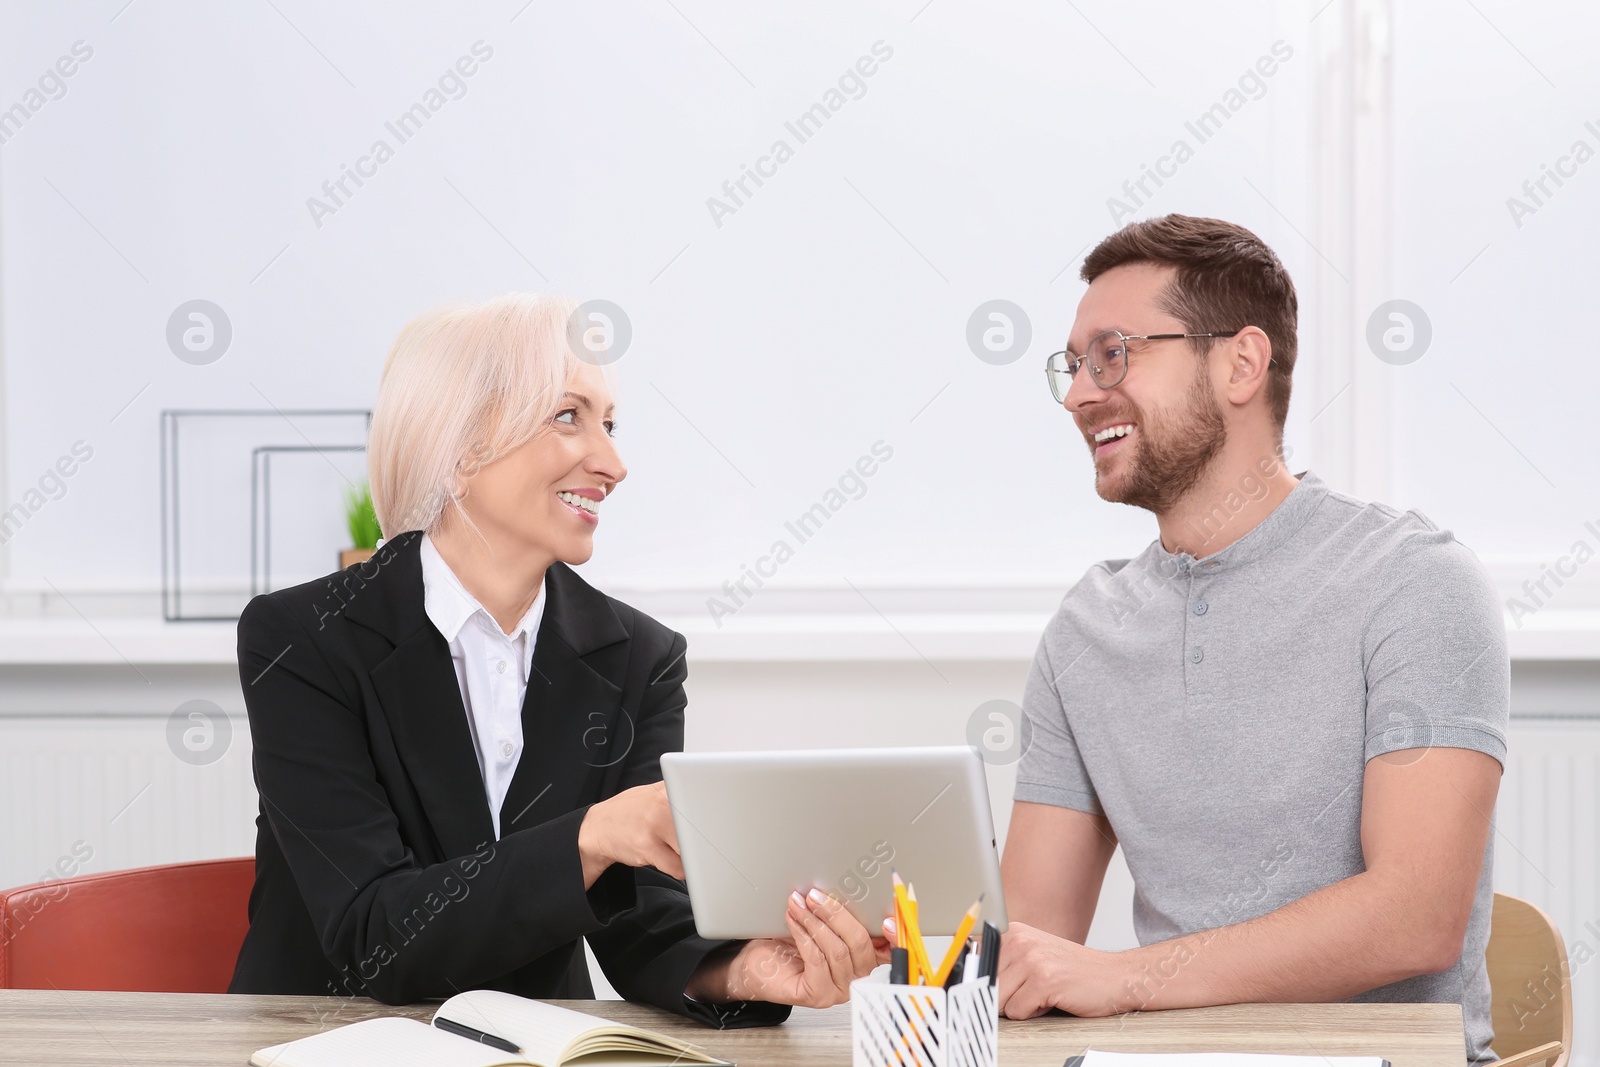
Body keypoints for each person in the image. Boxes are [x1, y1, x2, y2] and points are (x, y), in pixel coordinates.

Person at [229, 293, 886, 1024]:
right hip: (327, 1041)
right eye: (568, 416)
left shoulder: (640, 657)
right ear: (462, 445)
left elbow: (641, 917)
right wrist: (593, 833)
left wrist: (742, 968)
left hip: (534, 1045)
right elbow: (375, 936)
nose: (613, 463)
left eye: (609, 423)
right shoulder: (303, 638)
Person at [999, 215, 1507, 1065]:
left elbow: (1416, 916)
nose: (1081, 393)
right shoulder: (1085, 630)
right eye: (1076, 365)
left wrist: (1123, 978)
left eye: (1114, 353)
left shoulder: (1416, 581)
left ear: (1241, 362)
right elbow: (1032, 941)